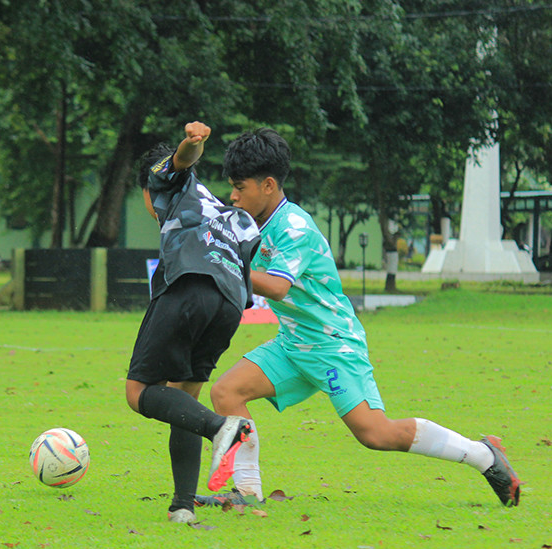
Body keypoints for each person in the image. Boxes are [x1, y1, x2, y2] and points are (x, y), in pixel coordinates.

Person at [203, 127, 521, 507]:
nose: (233, 196)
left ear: (268, 185)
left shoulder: (293, 227)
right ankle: (247, 492)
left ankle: (484, 455)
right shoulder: (251, 223)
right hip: (292, 344)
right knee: (226, 392)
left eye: (240, 188)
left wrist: (224, 265)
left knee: (376, 434)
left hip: (332, 345)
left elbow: (276, 287)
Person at [125, 121, 261, 524]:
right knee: (183, 396)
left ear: (148, 189)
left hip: (190, 284)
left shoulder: (170, 182)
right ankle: (183, 506)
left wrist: (190, 144)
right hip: (231, 304)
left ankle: (222, 427)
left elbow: (181, 161)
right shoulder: (224, 213)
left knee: (138, 391)